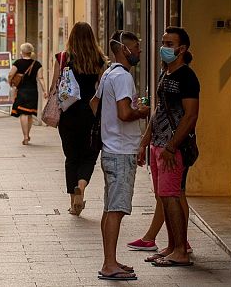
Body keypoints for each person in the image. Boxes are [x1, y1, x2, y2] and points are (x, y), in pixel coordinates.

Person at [136, 27, 199, 267]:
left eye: (169, 43)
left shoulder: (187, 77)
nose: (164, 47)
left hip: (173, 150)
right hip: (158, 145)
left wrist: (172, 146)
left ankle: (181, 250)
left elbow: (190, 116)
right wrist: (145, 141)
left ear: (182, 49)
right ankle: (172, 247)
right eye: (163, 42)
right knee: (164, 196)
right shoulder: (167, 73)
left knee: (172, 196)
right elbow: (159, 111)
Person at [90, 30, 150, 281]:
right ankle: (109, 264)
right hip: (121, 149)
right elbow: (125, 113)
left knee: (110, 208)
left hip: (112, 147)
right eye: (135, 47)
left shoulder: (108, 74)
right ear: (124, 50)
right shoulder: (123, 77)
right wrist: (142, 111)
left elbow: (94, 104)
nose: (139, 51)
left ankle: (111, 260)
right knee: (116, 209)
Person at [52, 22, 107, 215]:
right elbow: (102, 89)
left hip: (69, 114)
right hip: (90, 114)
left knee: (71, 157)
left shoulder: (63, 58)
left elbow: (55, 87)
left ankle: (73, 200)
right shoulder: (99, 59)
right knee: (89, 156)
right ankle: (81, 188)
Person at [9, 43, 45, 145]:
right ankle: (27, 134)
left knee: (23, 114)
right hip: (33, 91)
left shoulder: (18, 63)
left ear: (22, 52)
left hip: (22, 91)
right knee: (29, 114)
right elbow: (41, 78)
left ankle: (25, 136)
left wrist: (11, 83)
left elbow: (11, 74)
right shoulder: (37, 64)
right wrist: (45, 90)